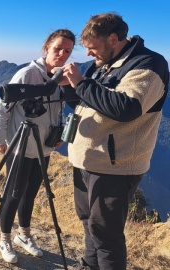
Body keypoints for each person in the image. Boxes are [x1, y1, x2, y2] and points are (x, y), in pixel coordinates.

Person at [60, 13, 168, 270]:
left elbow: (127, 107)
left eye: (92, 47)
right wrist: (69, 87)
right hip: (86, 160)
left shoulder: (149, 64)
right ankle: (89, 265)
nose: (88, 54)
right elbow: (89, 103)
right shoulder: (105, 62)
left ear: (113, 38)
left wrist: (81, 82)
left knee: (106, 235)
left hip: (115, 166)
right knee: (89, 223)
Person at [0, 29, 75, 263]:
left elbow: (57, 108)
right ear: (46, 48)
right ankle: (5, 239)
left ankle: (24, 235)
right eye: (58, 48)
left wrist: (58, 133)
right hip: (20, 146)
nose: (61, 54)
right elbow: (2, 106)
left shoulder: (58, 78)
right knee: (14, 193)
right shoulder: (27, 74)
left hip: (43, 147)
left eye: (67, 51)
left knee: (31, 193)